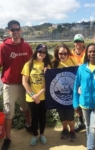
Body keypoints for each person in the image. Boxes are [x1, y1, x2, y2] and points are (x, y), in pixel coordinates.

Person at [0, 20, 33, 150]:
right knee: (9, 112)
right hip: (10, 85)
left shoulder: (27, 46)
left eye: (17, 29)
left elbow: (33, 64)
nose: (15, 31)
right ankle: (8, 138)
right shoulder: (3, 47)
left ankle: (29, 125)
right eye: (12, 30)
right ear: (9, 31)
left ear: (21, 30)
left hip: (25, 84)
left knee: (26, 108)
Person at [21, 44, 52, 146]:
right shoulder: (28, 64)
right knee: (34, 117)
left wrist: (38, 95)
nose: (42, 54)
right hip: (31, 97)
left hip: (43, 96)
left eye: (44, 52)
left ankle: (42, 135)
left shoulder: (48, 65)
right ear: (36, 52)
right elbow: (24, 82)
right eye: (40, 51)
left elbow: (49, 83)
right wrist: (33, 95)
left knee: (43, 117)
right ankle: (35, 135)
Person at [52, 44, 78, 142]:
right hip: (58, 95)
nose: (62, 55)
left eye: (65, 53)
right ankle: (64, 129)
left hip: (71, 95)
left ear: (68, 53)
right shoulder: (54, 63)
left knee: (70, 115)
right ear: (57, 54)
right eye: (60, 53)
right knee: (62, 115)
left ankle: (72, 131)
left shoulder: (73, 61)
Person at [71, 34, 86, 132]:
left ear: (83, 42)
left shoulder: (88, 51)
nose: (78, 43)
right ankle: (81, 122)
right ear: (74, 43)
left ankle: (88, 123)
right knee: (76, 104)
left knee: (86, 102)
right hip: (73, 81)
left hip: (85, 81)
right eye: (76, 41)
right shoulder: (70, 53)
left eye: (80, 41)